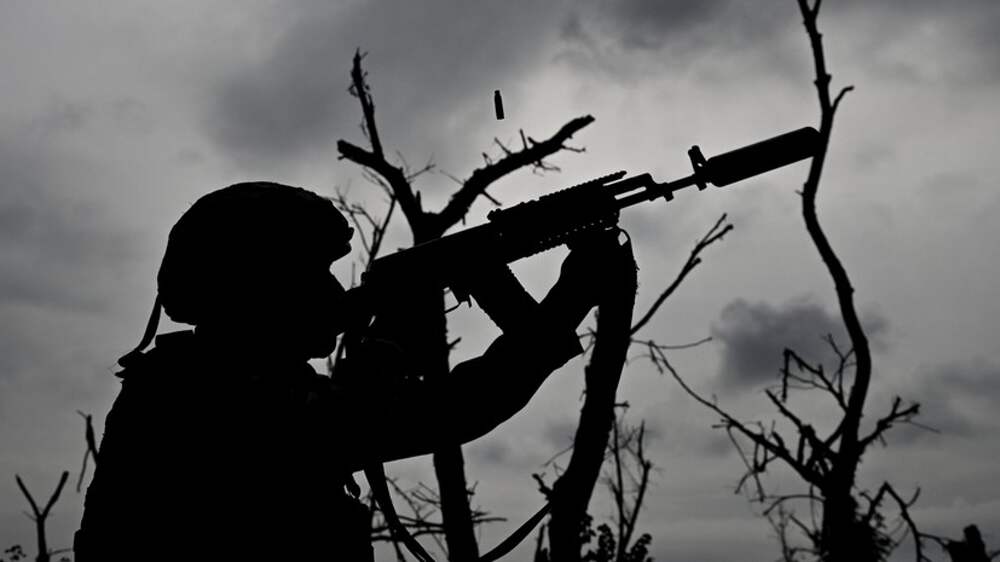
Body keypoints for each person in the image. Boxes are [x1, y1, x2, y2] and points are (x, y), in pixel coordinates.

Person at [74, 181, 632, 561]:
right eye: (312, 274)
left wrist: (567, 297)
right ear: (254, 285)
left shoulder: (247, 383)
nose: (333, 291)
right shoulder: (192, 396)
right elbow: (427, 415)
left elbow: (435, 410)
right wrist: (571, 296)